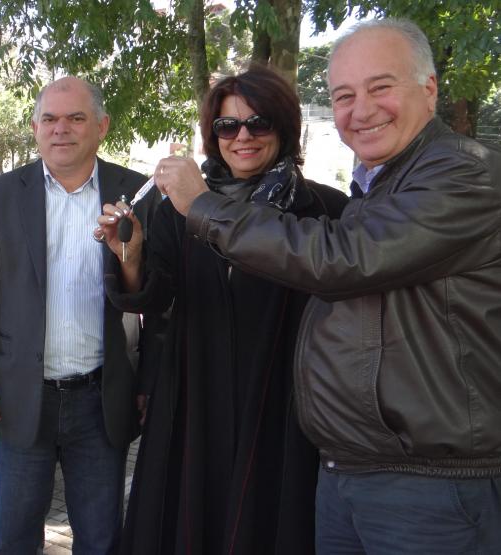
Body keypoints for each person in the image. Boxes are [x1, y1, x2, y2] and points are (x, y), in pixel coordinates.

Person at [155, 18, 501, 554]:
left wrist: (202, 206)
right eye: (343, 94)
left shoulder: (460, 173)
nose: (361, 109)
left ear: (429, 89)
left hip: (428, 481)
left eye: (381, 86)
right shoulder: (379, 185)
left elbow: (339, 261)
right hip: (350, 467)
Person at [97, 65, 347, 554]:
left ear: (285, 128)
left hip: (282, 397)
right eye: (227, 126)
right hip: (193, 392)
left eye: (259, 123)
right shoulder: (175, 206)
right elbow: (155, 297)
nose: (243, 137)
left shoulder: (325, 208)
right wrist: (130, 256)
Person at [0, 76, 158, 554]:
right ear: (35, 128)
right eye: (49, 119)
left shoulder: (136, 193)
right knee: (15, 537)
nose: (60, 129)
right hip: (21, 397)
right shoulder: (0, 196)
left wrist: (149, 381)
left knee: (103, 538)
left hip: (101, 398)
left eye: (75, 118)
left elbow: (156, 301)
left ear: (101, 126)